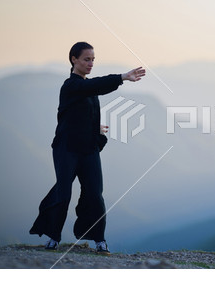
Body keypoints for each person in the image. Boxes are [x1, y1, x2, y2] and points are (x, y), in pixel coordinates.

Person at [29, 42, 145, 254]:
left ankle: (98, 240)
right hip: (67, 149)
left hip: (88, 149)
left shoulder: (87, 87)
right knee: (63, 194)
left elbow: (81, 109)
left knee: (95, 194)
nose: (91, 63)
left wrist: (94, 126)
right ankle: (53, 237)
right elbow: (89, 89)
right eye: (86, 59)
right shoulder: (71, 86)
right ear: (74, 59)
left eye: (93, 59)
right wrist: (122, 77)